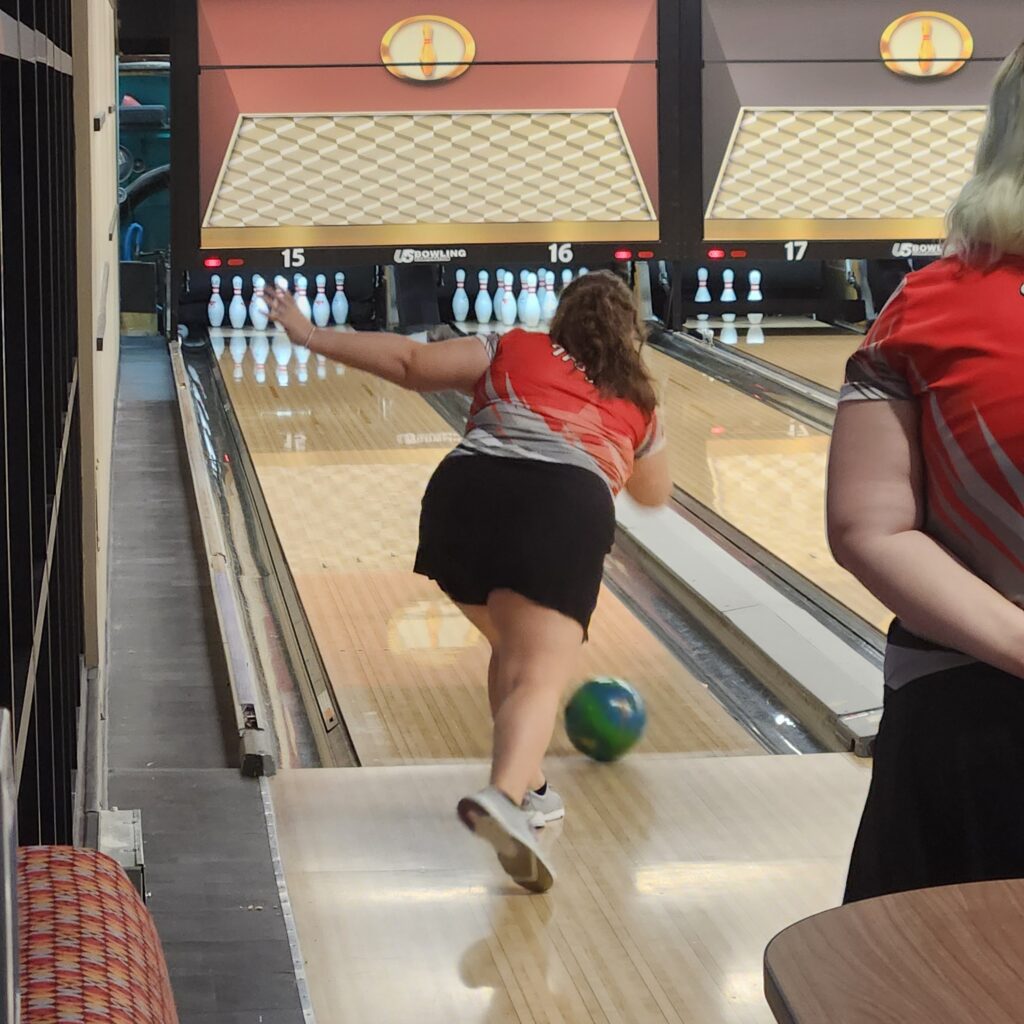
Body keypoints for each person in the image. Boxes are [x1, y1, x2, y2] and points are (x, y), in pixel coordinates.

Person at [267, 271, 671, 892]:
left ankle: (531, 789)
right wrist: (635, 431)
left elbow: (409, 363)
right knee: (538, 677)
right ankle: (503, 798)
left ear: (560, 318)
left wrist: (310, 334)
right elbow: (653, 494)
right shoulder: (638, 399)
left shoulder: (510, 346)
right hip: (562, 509)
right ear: (631, 334)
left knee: (511, 649)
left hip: (462, 499)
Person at [827, 41, 1024, 904]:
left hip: (966, 718)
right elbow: (867, 529)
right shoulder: (930, 308)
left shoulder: (931, 305)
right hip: (974, 722)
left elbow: (868, 529)